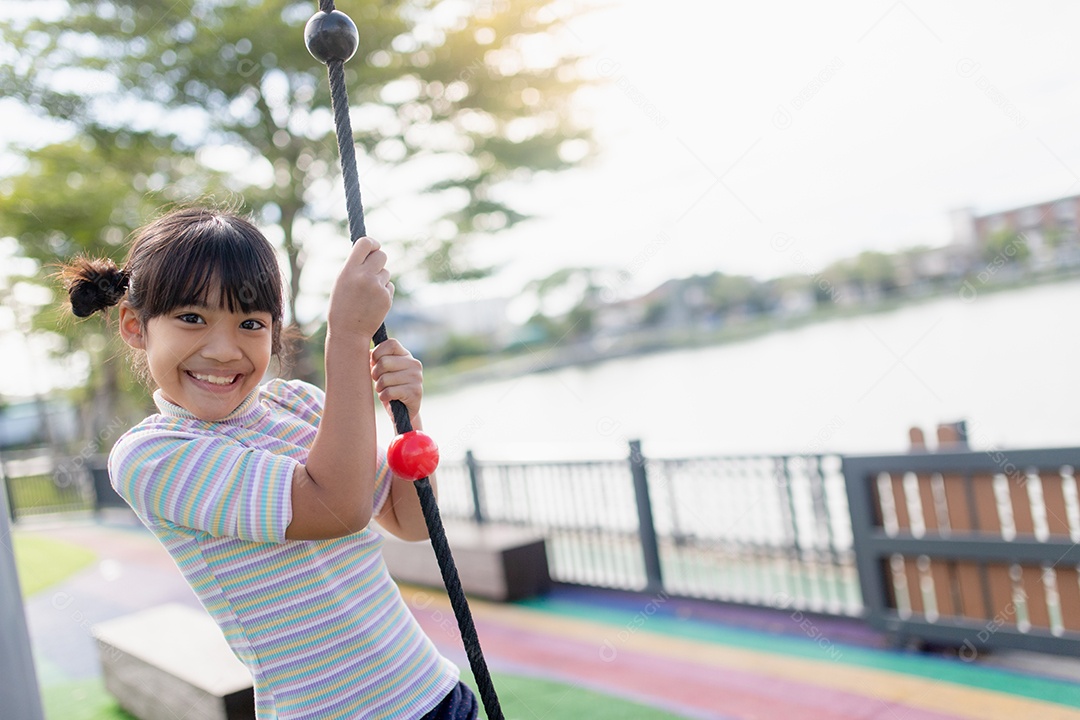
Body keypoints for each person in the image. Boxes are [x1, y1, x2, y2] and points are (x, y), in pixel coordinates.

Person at [60, 206, 478, 720]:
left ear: (274, 334)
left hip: (435, 692)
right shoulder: (151, 455)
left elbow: (411, 523)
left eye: (251, 323)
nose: (222, 349)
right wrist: (346, 338)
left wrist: (407, 418)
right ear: (134, 326)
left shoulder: (299, 405)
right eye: (192, 318)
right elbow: (336, 509)